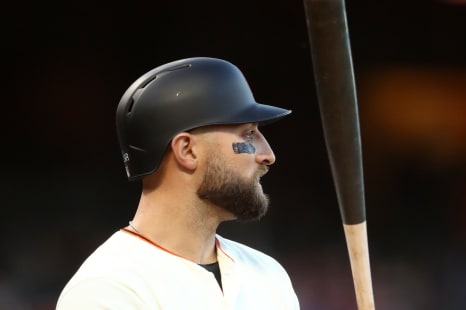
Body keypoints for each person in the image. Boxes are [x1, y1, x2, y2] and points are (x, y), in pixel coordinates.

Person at [56, 57, 300, 309]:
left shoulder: (269, 275)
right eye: (248, 134)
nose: (268, 155)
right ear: (187, 151)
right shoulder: (107, 289)